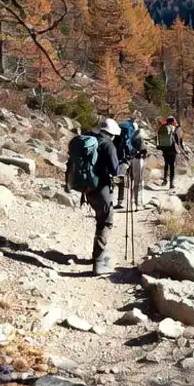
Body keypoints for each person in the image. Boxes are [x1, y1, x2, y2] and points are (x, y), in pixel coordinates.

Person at [65, 118, 121, 276]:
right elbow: (115, 170)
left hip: (87, 189)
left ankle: (98, 256)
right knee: (106, 222)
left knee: (100, 219)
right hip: (101, 187)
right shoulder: (108, 144)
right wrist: (123, 167)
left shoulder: (91, 139)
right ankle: (98, 264)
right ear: (112, 133)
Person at [156, 116, 184, 189]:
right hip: (172, 149)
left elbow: (157, 137)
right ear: (172, 122)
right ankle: (171, 183)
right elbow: (178, 140)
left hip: (165, 149)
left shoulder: (162, 127)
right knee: (172, 166)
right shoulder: (173, 128)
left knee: (166, 164)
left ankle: (164, 180)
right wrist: (179, 147)